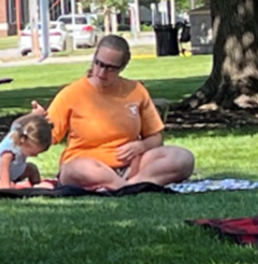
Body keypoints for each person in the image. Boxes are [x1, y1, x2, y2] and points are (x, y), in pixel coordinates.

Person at [38, 35, 195, 188]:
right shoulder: (71, 93)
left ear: (122, 67)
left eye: (110, 68)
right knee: (75, 168)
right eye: (98, 63)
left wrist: (141, 146)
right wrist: (36, 121)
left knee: (183, 158)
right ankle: (132, 186)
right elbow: (48, 137)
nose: (101, 72)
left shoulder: (136, 91)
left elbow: (156, 138)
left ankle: (131, 184)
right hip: (88, 166)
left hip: (131, 166)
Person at [0, 112, 53, 189]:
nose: (36, 156)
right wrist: (7, 186)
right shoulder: (10, 149)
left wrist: (35, 114)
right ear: (24, 142)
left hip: (14, 173)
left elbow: (17, 122)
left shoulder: (21, 134)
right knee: (8, 187)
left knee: (32, 168)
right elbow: (4, 169)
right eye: (32, 153)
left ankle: (37, 186)